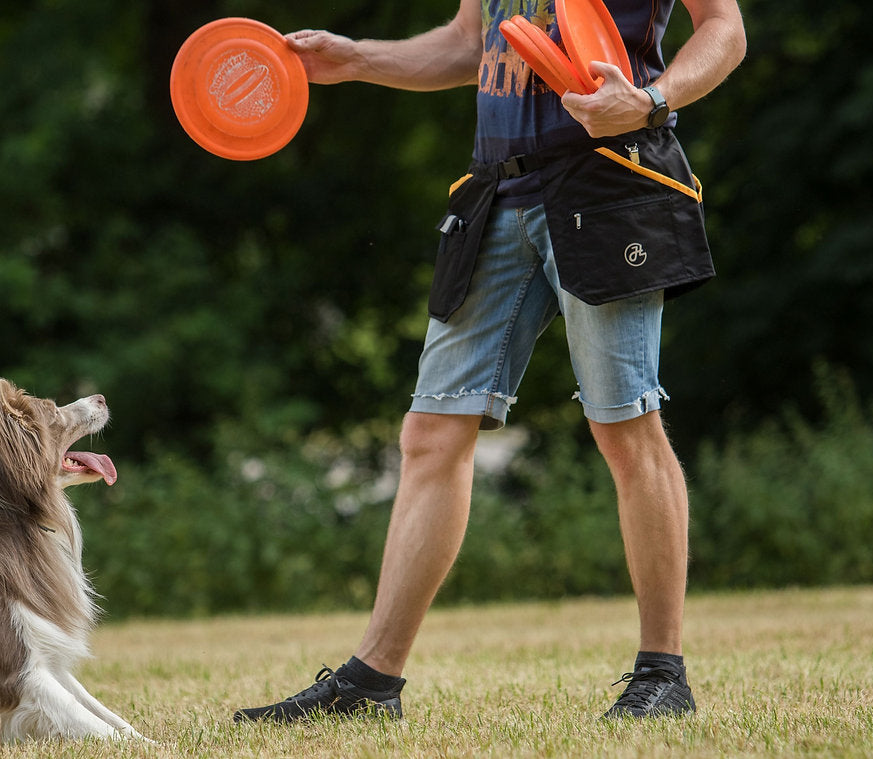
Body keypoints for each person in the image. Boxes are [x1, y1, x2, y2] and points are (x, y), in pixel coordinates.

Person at [235, 0, 746, 722]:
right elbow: (466, 42)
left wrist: (649, 100)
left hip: (606, 182)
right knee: (431, 431)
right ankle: (371, 682)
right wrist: (354, 60)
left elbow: (724, 27)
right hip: (497, 191)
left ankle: (663, 674)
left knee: (624, 424)